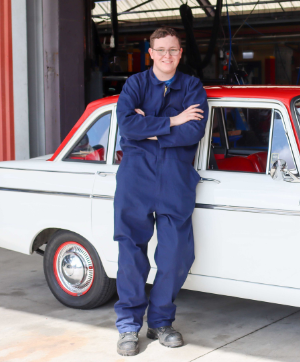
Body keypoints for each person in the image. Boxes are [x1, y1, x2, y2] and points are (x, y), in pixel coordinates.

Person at [113, 26, 208, 356]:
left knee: (176, 254)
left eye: (173, 50)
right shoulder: (135, 84)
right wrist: (172, 121)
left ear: (180, 53)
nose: (167, 55)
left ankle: (161, 322)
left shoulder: (192, 86)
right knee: (130, 253)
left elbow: (194, 131)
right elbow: (127, 125)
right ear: (150, 53)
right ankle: (128, 325)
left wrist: (149, 128)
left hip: (175, 179)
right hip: (136, 178)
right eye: (161, 50)